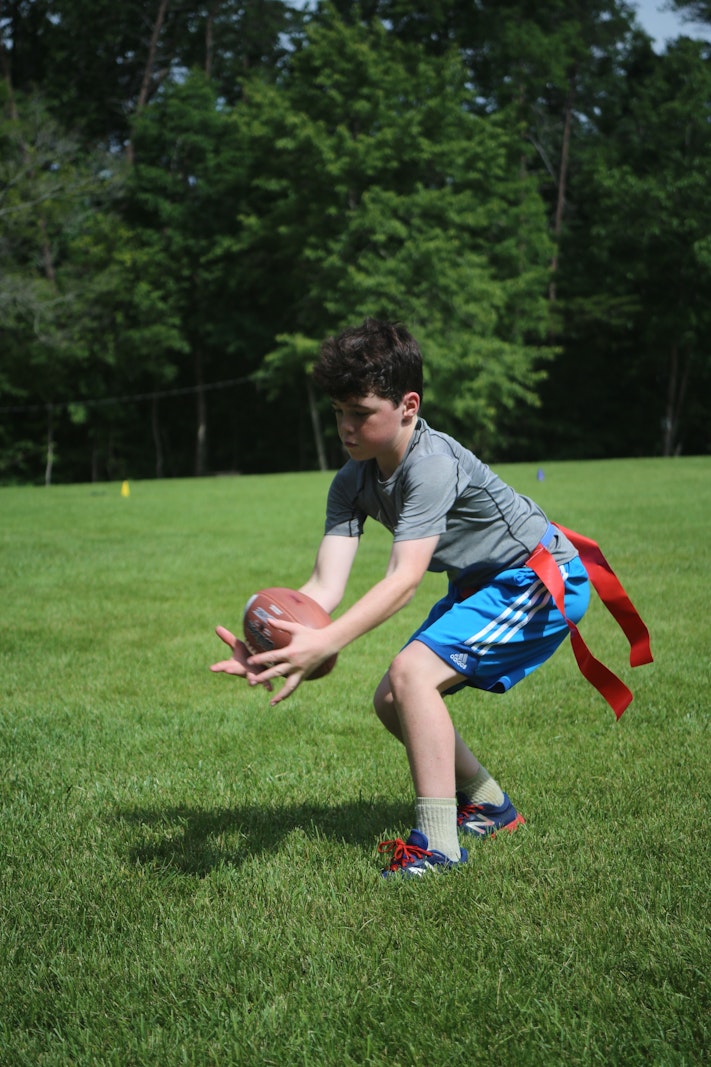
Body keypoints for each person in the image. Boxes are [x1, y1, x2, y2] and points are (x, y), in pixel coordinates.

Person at [211, 318, 595, 878]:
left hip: (540, 581)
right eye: (338, 412)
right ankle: (489, 804)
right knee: (393, 698)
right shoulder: (351, 481)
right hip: (482, 585)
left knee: (410, 673)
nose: (345, 427)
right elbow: (323, 588)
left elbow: (404, 579)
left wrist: (328, 642)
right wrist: (274, 643)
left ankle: (438, 845)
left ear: (408, 406)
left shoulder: (432, 464)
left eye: (360, 413)